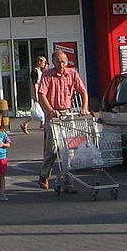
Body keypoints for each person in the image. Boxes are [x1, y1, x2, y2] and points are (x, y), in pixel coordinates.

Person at [35, 49, 90, 191]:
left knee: (68, 150)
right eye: (58, 61)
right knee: (52, 149)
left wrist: (84, 107)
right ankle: (44, 175)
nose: (61, 64)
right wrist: (50, 111)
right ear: (53, 62)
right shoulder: (47, 75)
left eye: (64, 61)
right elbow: (41, 95)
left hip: (67, 113)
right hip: (53, 115)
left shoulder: (72, 74)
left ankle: (68, 183)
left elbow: (83, 91)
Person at [19, 54, 48, 134]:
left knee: (40, 109)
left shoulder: (39, 71)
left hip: (40, 92)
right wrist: (36, 95)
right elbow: (35, 84)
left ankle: (41, 123)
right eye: (43, 62)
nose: (44, 64)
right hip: (38, 92)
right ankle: (26, 124)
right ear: (39, 62)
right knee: (39, 110)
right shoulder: (35, 71)